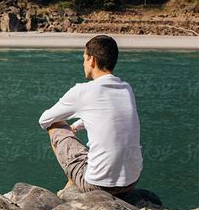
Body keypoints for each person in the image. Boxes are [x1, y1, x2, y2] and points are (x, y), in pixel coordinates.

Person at [39, 35, 142, 196]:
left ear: (92, 60)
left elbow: (45, 119)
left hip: (98, 186)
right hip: (131, 181)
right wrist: (78, 125)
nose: (83, 63)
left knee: (55, 126)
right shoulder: (126, 88)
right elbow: (109, 115)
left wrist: (66, 124)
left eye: (84, 58)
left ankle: (72, 183)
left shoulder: (82, 91)